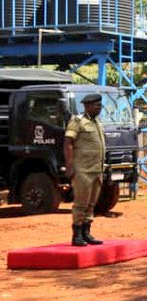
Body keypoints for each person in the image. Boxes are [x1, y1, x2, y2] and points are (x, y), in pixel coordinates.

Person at [63, 92, 107, 247]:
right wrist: (69, 165)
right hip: (82, 170)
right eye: (96, 105)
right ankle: (76, 235)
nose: (99, 108)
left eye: (100, 105)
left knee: (91, 204)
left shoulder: (97, 122)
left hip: (96, 170)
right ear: (87, 106)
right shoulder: (77, 121)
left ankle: (86, 233)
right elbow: (68, 142)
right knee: (81, 203)